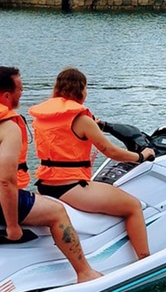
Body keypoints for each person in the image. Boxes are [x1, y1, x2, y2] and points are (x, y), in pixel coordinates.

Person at [0, 66, 102, 283]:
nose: (22, 93)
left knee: (39, 199)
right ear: (7, 95)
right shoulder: (8, 128)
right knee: (57, 211)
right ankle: (85, 272)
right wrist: (13, 226)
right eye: (20, 89)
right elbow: (6, 182)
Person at [28, 68, 155, 260]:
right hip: (71, 187)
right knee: (134, 207)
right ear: (80, 89)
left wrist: (93, 124)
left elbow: (64, 136)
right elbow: (110, 151)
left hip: (45, 186)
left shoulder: (41, 118)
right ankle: (145, 259)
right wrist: (140, 156)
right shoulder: (81, 119)